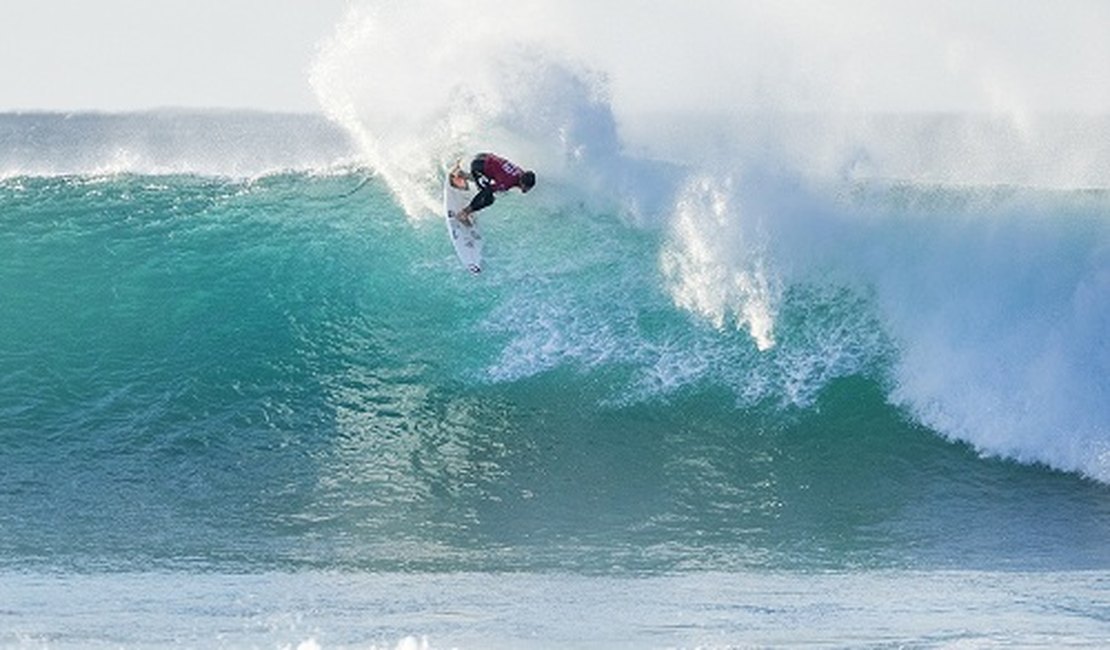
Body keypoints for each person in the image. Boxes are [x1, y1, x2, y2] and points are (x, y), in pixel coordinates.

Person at [451, 153, 536, 226]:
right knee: (489, 199)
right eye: (526, 188)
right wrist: (472, 207)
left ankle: (461, 174)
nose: (526, 190)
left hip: (483, 158)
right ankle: (464, 213)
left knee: (486, 181)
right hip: (478, 166)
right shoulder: (508, 182)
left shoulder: (521, 173)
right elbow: (487, 191)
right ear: (522, 183)